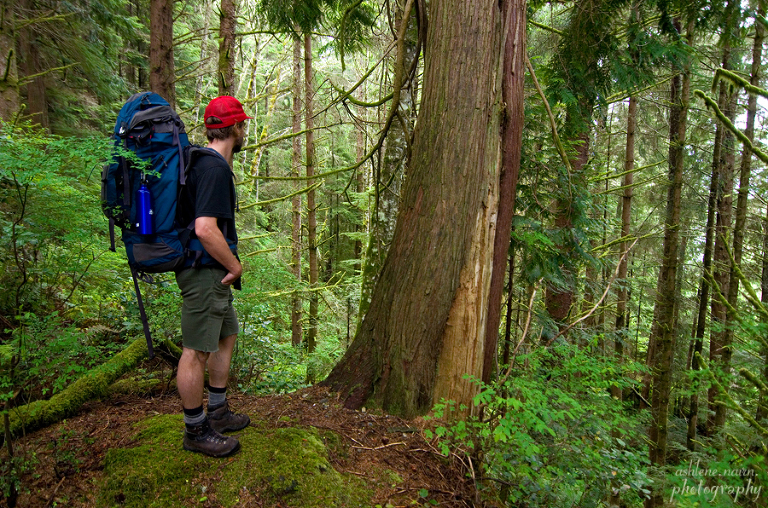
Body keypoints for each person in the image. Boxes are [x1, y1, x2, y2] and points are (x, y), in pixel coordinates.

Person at [175, 96, 252, 457]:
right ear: (235, 128)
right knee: (195, 352)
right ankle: (196, 430)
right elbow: (206, 229)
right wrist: (234, 265)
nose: (244, 130)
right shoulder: (215, 169)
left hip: (207, 270)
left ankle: (218, 411)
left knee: (226, 334)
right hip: (205, 271)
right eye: (242, 124)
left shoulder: (199, 162)